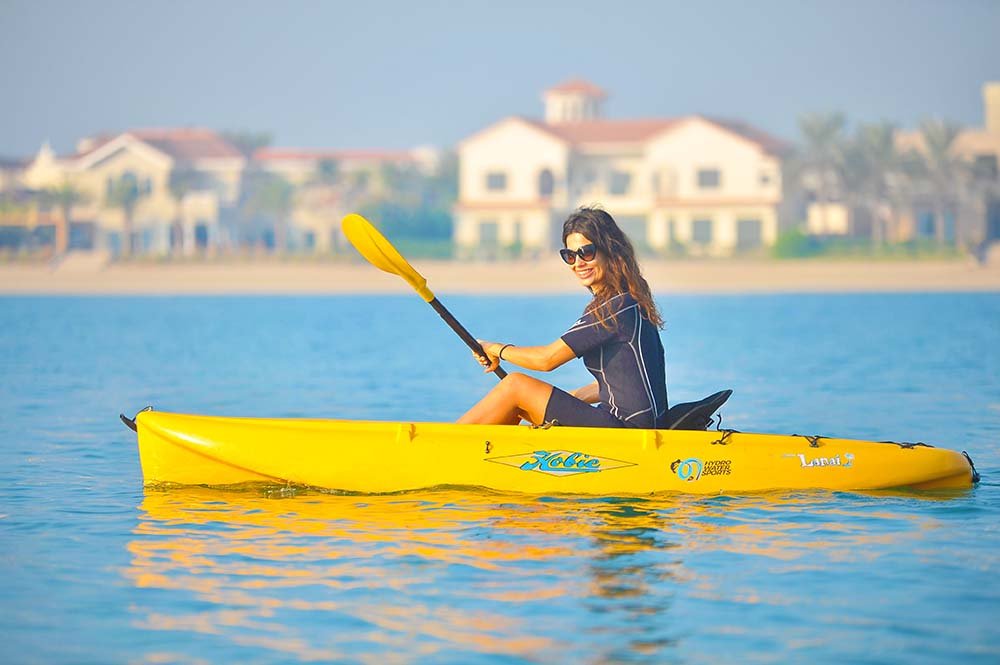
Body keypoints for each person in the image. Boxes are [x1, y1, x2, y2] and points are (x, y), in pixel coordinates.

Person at [458, 207, 668, 428]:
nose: (578, 263)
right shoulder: (630, 303)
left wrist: (495, 349)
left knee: (515, 385)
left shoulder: (615, 308)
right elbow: (620, 386)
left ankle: (441, 446)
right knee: (524, 399)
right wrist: (559, 401)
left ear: (610, 251)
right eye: (570, 256)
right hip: (635, 426)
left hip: (628, 433)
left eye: (586, 252)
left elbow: (547, 360)